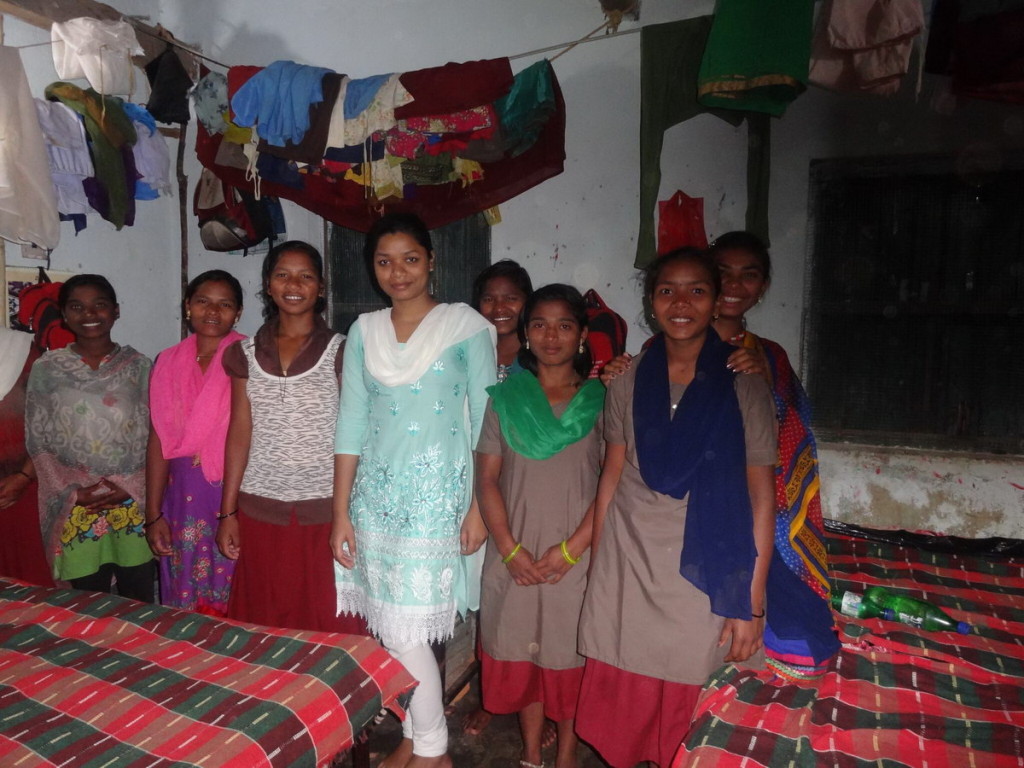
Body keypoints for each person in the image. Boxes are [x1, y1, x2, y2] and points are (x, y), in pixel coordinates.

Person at [576, 248, 777, 768]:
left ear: (716, 303)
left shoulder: (745, 382)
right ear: (650, 302)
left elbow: (761, 496)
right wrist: (598, 567)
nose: (681, 302)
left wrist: (750, 603)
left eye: (697, 291)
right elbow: (611, 476)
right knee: (628, 710)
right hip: (631, 559)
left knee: (692, 712)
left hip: (706, 564)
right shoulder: (626, 378)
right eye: (667, 290)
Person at [332, 212, 496, 768]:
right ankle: (416, 737)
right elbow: (350, 422)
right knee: (390, 625)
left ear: (431, 261)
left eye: (409, 259)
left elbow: (484, 423)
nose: (397, 272)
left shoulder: (466, 326)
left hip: (437, 500)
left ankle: (432, 750)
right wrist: (340, 512)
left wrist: (479, 506)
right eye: (384, 261)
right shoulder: (363, 331)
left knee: (407, 630)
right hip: (374, 499)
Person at [477, 283, 604, 768]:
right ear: (526, 335)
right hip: (515, 556)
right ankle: (531, 755)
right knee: (525, 661)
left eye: (565, 325)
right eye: (539, 325)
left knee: (569, 660)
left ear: (583, 335)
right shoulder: (506, 398)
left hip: (578, 559)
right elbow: (487, 480)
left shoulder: (603, 399)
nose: (552, 336)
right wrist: (510, 550)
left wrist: (571, 550)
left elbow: (610, 486)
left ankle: (566, 756)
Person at [216, 241, 365, 636]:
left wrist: (347, 510)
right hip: (259, 508)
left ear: (321, 287)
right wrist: (228, 512)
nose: (293, 284)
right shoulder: (244, 354)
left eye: (306, 276)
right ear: (268, 284)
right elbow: (239, 433)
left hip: (325, 512)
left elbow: (356, 431)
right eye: (282, 274)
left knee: (330, 626)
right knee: (264, 625)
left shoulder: (342, 351)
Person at [709, 231, 839, 678]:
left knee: (809, 646)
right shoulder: (666, 346)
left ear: (762, 287)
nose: (734, 284)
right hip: (692, 501)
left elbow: (794, 432)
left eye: (749, 276)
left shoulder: (771, 355)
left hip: (760, 497)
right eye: (723, 272)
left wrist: (764, 385)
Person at [25, 274, 154, 599]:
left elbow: (157, 433)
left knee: (137, 598)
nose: (90, 314)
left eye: (100, 305)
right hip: (77, 505)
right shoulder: (48, 369)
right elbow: (39, 441)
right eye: (77, 307)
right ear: (65, 315)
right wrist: (71, 493)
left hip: (131, 503)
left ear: (116, 311)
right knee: (85, 601)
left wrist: (131, 487)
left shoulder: (140, 367)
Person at [145, 270, 244, 615]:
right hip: (180, 496)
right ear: (188, 306)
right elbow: (158, 438)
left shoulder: (250, 359)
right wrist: (153, 513)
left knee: (235, 591)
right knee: (182, 599)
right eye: (203, 301)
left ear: (238, 313)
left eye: (225, 304)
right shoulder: (167, 361)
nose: (213, 311)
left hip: (234, 492)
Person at [0, 327, 53, 585]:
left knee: (30, 588)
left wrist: (24, 476)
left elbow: (50, 421)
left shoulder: (20, 351)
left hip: (21, 489)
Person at [473, 260, 533, 383]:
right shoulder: (470, 353)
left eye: (510, 299)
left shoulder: (542, 355)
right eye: (489, 299)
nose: (499, 308)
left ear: (528, 301)